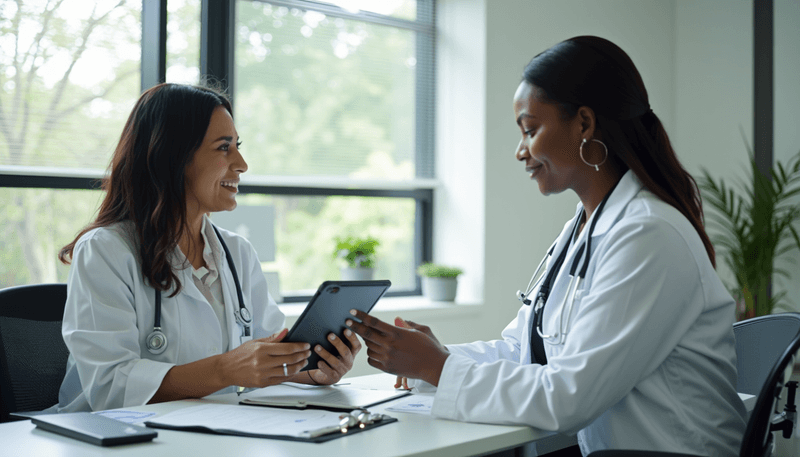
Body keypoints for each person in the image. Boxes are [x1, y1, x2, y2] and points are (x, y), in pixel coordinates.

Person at [347, 36, 747, 456]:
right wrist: (433, 357)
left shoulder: (648, 235)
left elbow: (568, 396)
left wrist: (438, 367)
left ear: (585, 124)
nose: (521, 151)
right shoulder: (586, 225)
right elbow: (526, 351)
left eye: (530, 130)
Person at [53, 83, 361, 412]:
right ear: (174, 157)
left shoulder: (236, 253)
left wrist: (315, 371)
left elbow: (267, 355)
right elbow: (109, 385)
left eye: (237, 146)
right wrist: (225, 369)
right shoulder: (105, 251)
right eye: (223, 148)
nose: (241, 163)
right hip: (111, 438)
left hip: (206, 431)